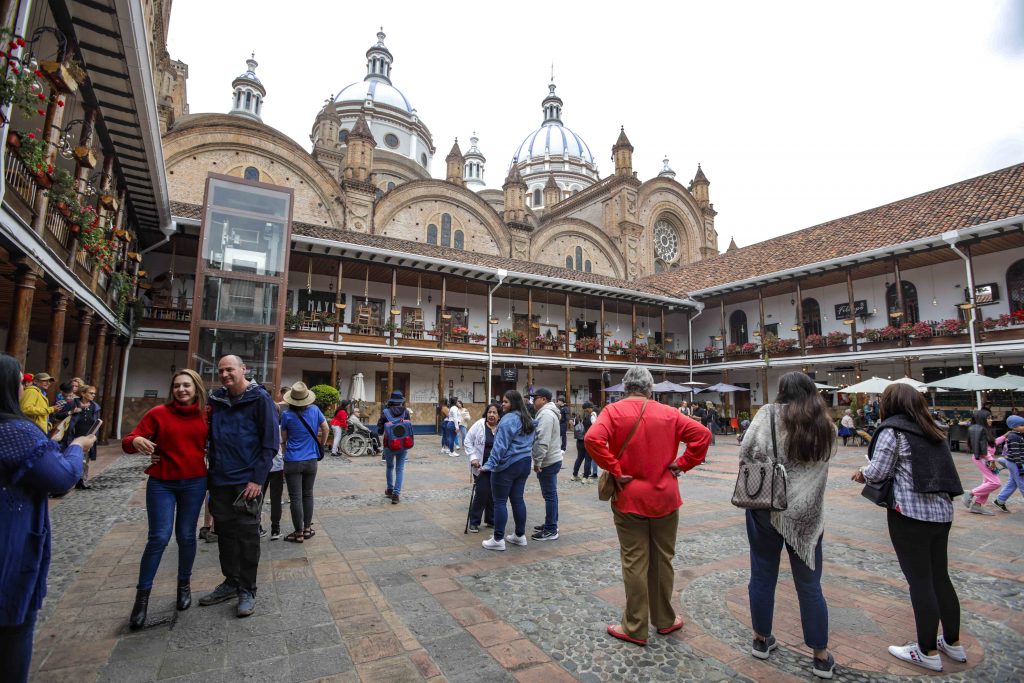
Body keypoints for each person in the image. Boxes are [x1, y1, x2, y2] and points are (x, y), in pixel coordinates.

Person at [585, 366, 709, 647]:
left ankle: (635, 625)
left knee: (634, 561)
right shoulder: (669, 413)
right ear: (650, 388)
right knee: (663, 559)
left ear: (625, 387)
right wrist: (683, 463)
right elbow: (702, 435)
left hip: (630, 497)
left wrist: (614, 467)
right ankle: (665, 619)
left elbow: (593, 439)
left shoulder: (613, 411)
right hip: (665, 496)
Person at [852, 383, 965, 672]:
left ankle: (926, 649)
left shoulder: (893, 431)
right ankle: (952, 642)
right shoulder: (933, 429)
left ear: (891, 404)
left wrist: (861, 472)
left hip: (910, 513)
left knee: (920, 581)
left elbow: (878, 471)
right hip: (941, 513)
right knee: (941, 577)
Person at [0, 353, 93, 682]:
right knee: (13, 625)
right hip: (9, 539)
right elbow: (60, 478)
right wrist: (76, 447)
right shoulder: (14, 431)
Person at [740, 372, 836, 678]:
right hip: (807, 514)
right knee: (809, 584)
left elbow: (746, 453)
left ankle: (760, 639)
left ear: (782, 391)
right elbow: (822, 462)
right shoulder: (826, 426)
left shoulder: (768, 414)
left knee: (762, 574)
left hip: (767, 507)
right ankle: (820, 655)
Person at [122, 369, 209, 629]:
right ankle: (142, 598)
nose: (181, 390)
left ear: (196, 388)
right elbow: (128, 441)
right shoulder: (158, 413)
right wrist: (137, 439)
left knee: (186, 535)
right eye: (177, 386)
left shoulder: (208, 414)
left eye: (186, 385)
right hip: (162, 483)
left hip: (194, 482)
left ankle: (184, 585)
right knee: (158, 537)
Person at [198, 355, 279, 618]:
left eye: (229, 369)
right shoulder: (216, 400)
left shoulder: (259, 399)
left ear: (243, 369)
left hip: (247, 483)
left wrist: (257, 479)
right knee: (225, 534)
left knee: (247, 536)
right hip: (220, 479)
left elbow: (270, 443)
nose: (224, 375)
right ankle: (230, 581)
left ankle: (247, 589)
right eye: (220, 371)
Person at [481, 390, 536, 551]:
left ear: (514, 402)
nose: (502, 405)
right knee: (518, 499)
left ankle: (498, 539)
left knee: (499, 501)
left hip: (507, 465)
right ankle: (520, 536)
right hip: (524, 462)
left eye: (505, 402)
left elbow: (500, 446)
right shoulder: (528, 419)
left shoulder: (507, 420)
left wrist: (489, 465)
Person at [279, 382, 328, 543]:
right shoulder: (315, 410)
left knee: (295, 497)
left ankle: (298, 533)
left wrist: (286, 450)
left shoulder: (287, 415)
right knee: (308, 494)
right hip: (311, 460)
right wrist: (320, 445)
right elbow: (325, 428)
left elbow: (284, 438)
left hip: (293, 460)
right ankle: (307, 529)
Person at [531, 388, 563, 541]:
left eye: (535, 398)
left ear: (543, 399)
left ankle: (551, 529)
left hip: (548, 461)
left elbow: (542, 441)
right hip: (553, 459)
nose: (533, 401)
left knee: (549, 495)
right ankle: (551, 524)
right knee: (551, 494)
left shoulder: (546, 415)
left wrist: (537, 461)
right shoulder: (549, 413)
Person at [465, 402, 500, 532]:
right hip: (480, 466)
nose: (491, 415)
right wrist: (473, 457)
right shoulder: (479, 425)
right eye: (490, 412)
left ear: (499, 415)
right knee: (481, 492)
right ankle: (474, 521)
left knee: (493, 494)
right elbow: (468, 441)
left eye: (494, 412)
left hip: (496, 466)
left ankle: (491, 520)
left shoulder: (501, 427)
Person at [63, 384, 101, 489]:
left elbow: (97, 421)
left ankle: (82, 481)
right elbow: (58, 415)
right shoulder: (72, 403)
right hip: (73, 435)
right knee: (71, 458)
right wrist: (71, 412)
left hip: (87, 435)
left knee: (85, 460)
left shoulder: (95, 407)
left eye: (94, 393)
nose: (93, 395)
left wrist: (95, 435)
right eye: (91, 393)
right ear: (83, 393)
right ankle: (68, 481)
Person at [378, 391, 412, 503]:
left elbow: (379, 430)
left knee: (389, 467)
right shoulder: (406, 412)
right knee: (400, 469)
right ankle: (396, 495)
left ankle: (389, 489)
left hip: (389, 444)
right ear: (401, 401)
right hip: (403, 444)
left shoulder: (385, 412)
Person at [964, 410, 999, 515]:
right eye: (988, 418)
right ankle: (970, 493)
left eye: (991, 418)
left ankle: (977, 505)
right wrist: (991, 460)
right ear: (982, 419)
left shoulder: (983, 429)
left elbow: (992, 444)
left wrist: (1005, 436)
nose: (991, 420)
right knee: (995, 482)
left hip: (985, 459)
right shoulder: (980, 430)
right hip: (983, 459)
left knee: (987, 483)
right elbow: (983, 449)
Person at [994, 415, 1024, 512]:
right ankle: (1000, 500)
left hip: (1013, 463)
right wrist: (1020, 468)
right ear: (1014, 427)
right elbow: (1016, 454)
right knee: (1022, 483)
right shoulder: (1014, 437)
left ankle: (1000, 500)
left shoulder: (1017, 435)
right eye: (1022, 425)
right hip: (1016, 464)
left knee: (1012, 483)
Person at [571, 402, 597, 482]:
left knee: (579, 458)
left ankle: (574, 475)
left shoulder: (578, 416)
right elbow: (596, 426)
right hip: (588, 440)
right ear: (588, 408)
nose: (592, 409)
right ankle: (585, 478)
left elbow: (574, 425)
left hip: (579, 440)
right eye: (591, 407)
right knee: (588, 459)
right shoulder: (592, 416)